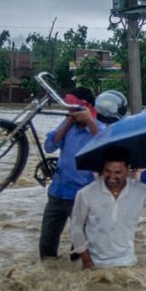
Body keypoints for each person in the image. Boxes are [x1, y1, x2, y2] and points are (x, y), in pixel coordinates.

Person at [70, 146, 146, 269]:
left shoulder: (140, 190)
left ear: (128, 169)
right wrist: (86, 260)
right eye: (107, 171)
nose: (112, 176)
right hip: (95, 263)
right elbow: (76, 226)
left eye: (118, 172)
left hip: (127, 262)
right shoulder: (86, 193)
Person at [38, 87, 102, 260]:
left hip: (81, 197)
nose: (70, 111)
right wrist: (67, 123)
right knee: (46, 244)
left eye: (74, 107)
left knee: (79, 250)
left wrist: (89, 122)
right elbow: (50, 146)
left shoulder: (99, 129)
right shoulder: (68, 126)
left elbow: (106, 150)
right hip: (57, 193)